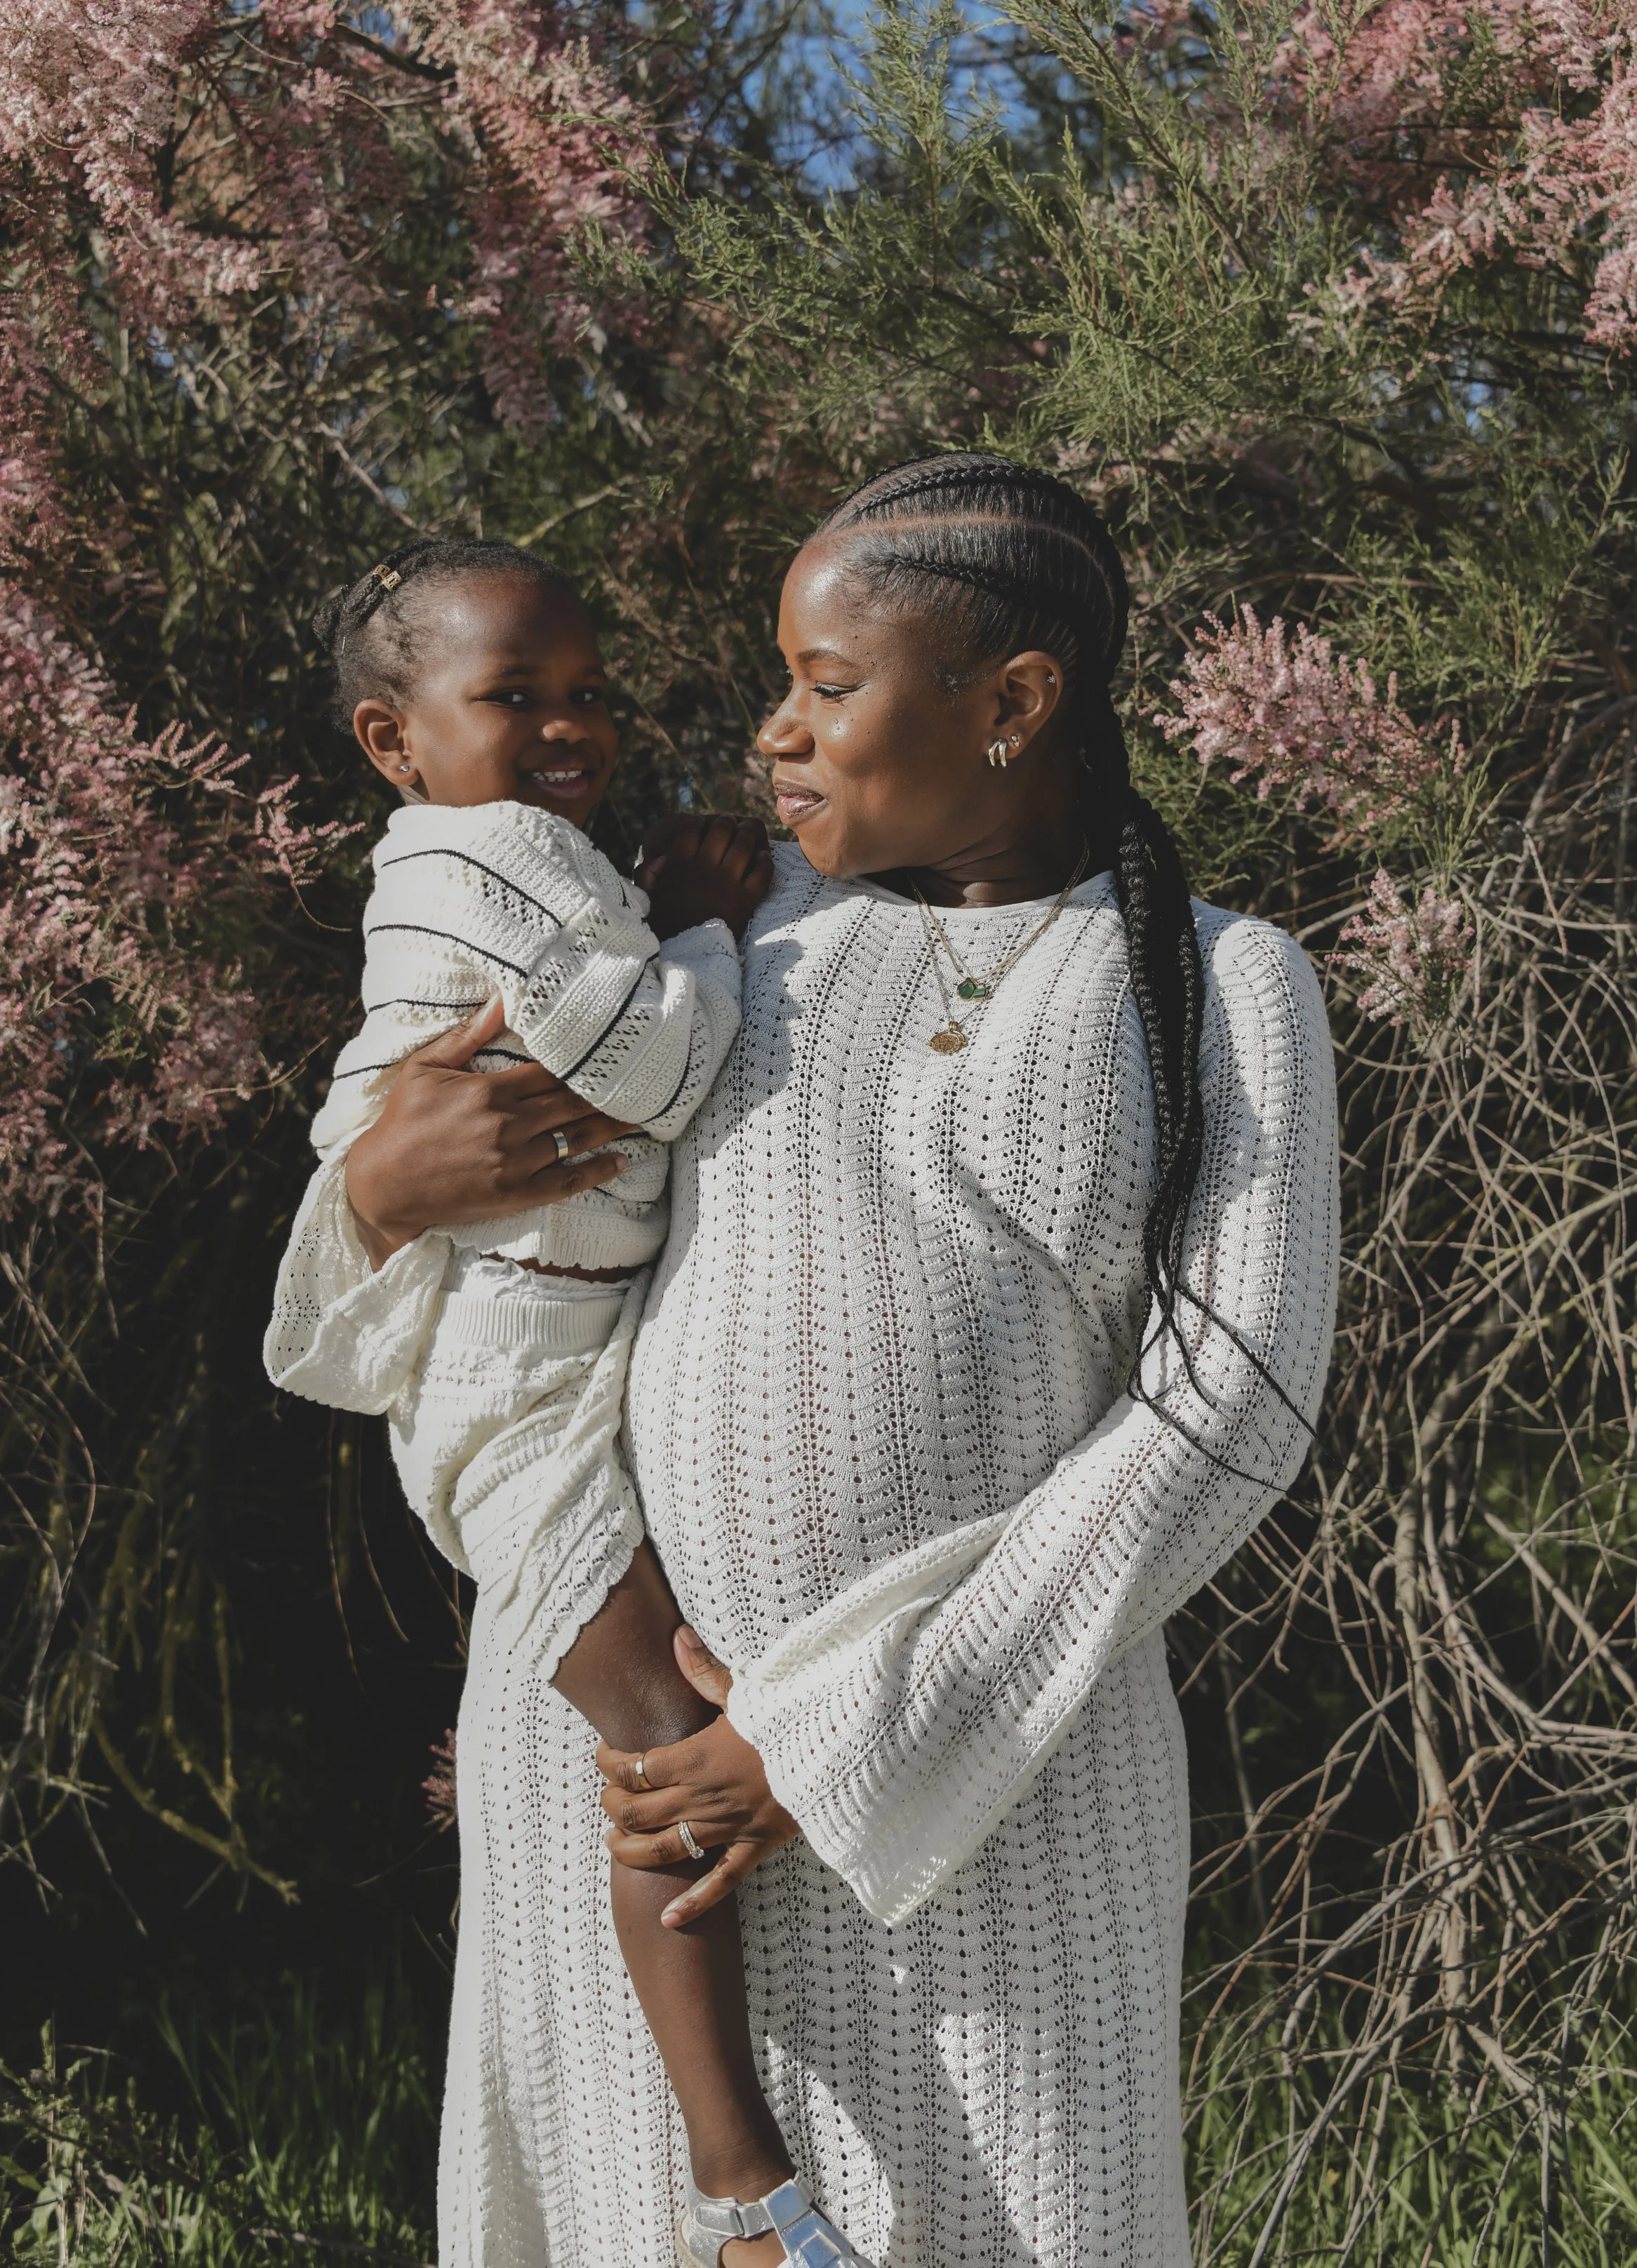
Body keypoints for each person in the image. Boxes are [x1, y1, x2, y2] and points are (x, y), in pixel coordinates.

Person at [286, 458, 1341, 2268]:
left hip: (992, 1781)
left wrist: (819, 1740)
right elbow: (471, 1269)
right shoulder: (734, 934)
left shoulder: (1221, 988)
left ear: (1013, 703)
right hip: (626, 1771)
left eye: (827, 687)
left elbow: (1223, 1415)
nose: (773, 731)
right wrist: (373, 1193)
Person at [263, 538, 862, 2267]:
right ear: (393, 740)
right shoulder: (470, 867)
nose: (564, 727)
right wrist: (699, 925)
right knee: (666, 1746)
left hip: (557, 1345)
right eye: (511, 697)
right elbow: (656, 1069)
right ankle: (743, 2185)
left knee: (668, 1730)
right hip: (510, 1374)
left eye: (586, 692)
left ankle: (739, 2174)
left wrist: (657, 916)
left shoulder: (535, 860)